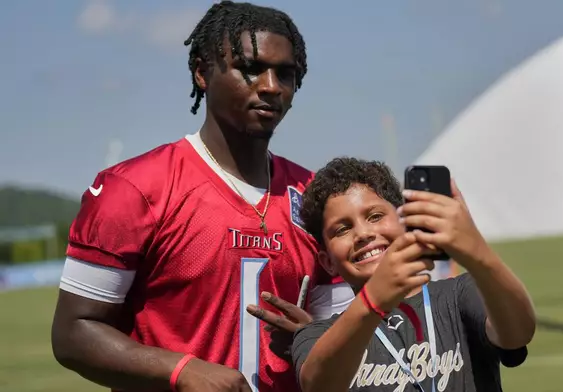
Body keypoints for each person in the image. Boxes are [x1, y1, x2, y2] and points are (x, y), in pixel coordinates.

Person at [50, 2, 352, 392]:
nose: (272, 86)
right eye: (251, 68)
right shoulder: (135, 187)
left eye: (286, 74)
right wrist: (180, 370)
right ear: (201, 71)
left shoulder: (316, 197)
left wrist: (317, 338)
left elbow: (345, 341)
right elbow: (74, 332)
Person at [291, 157, 536, 392]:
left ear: (405, 222)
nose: (363, 233)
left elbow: (518, 333)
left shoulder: (460, 295)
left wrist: (477, 252)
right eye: (342, 229)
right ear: (327, 262)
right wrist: (372, 300)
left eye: (375, 216)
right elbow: (318, 384)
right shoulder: (317, 334)